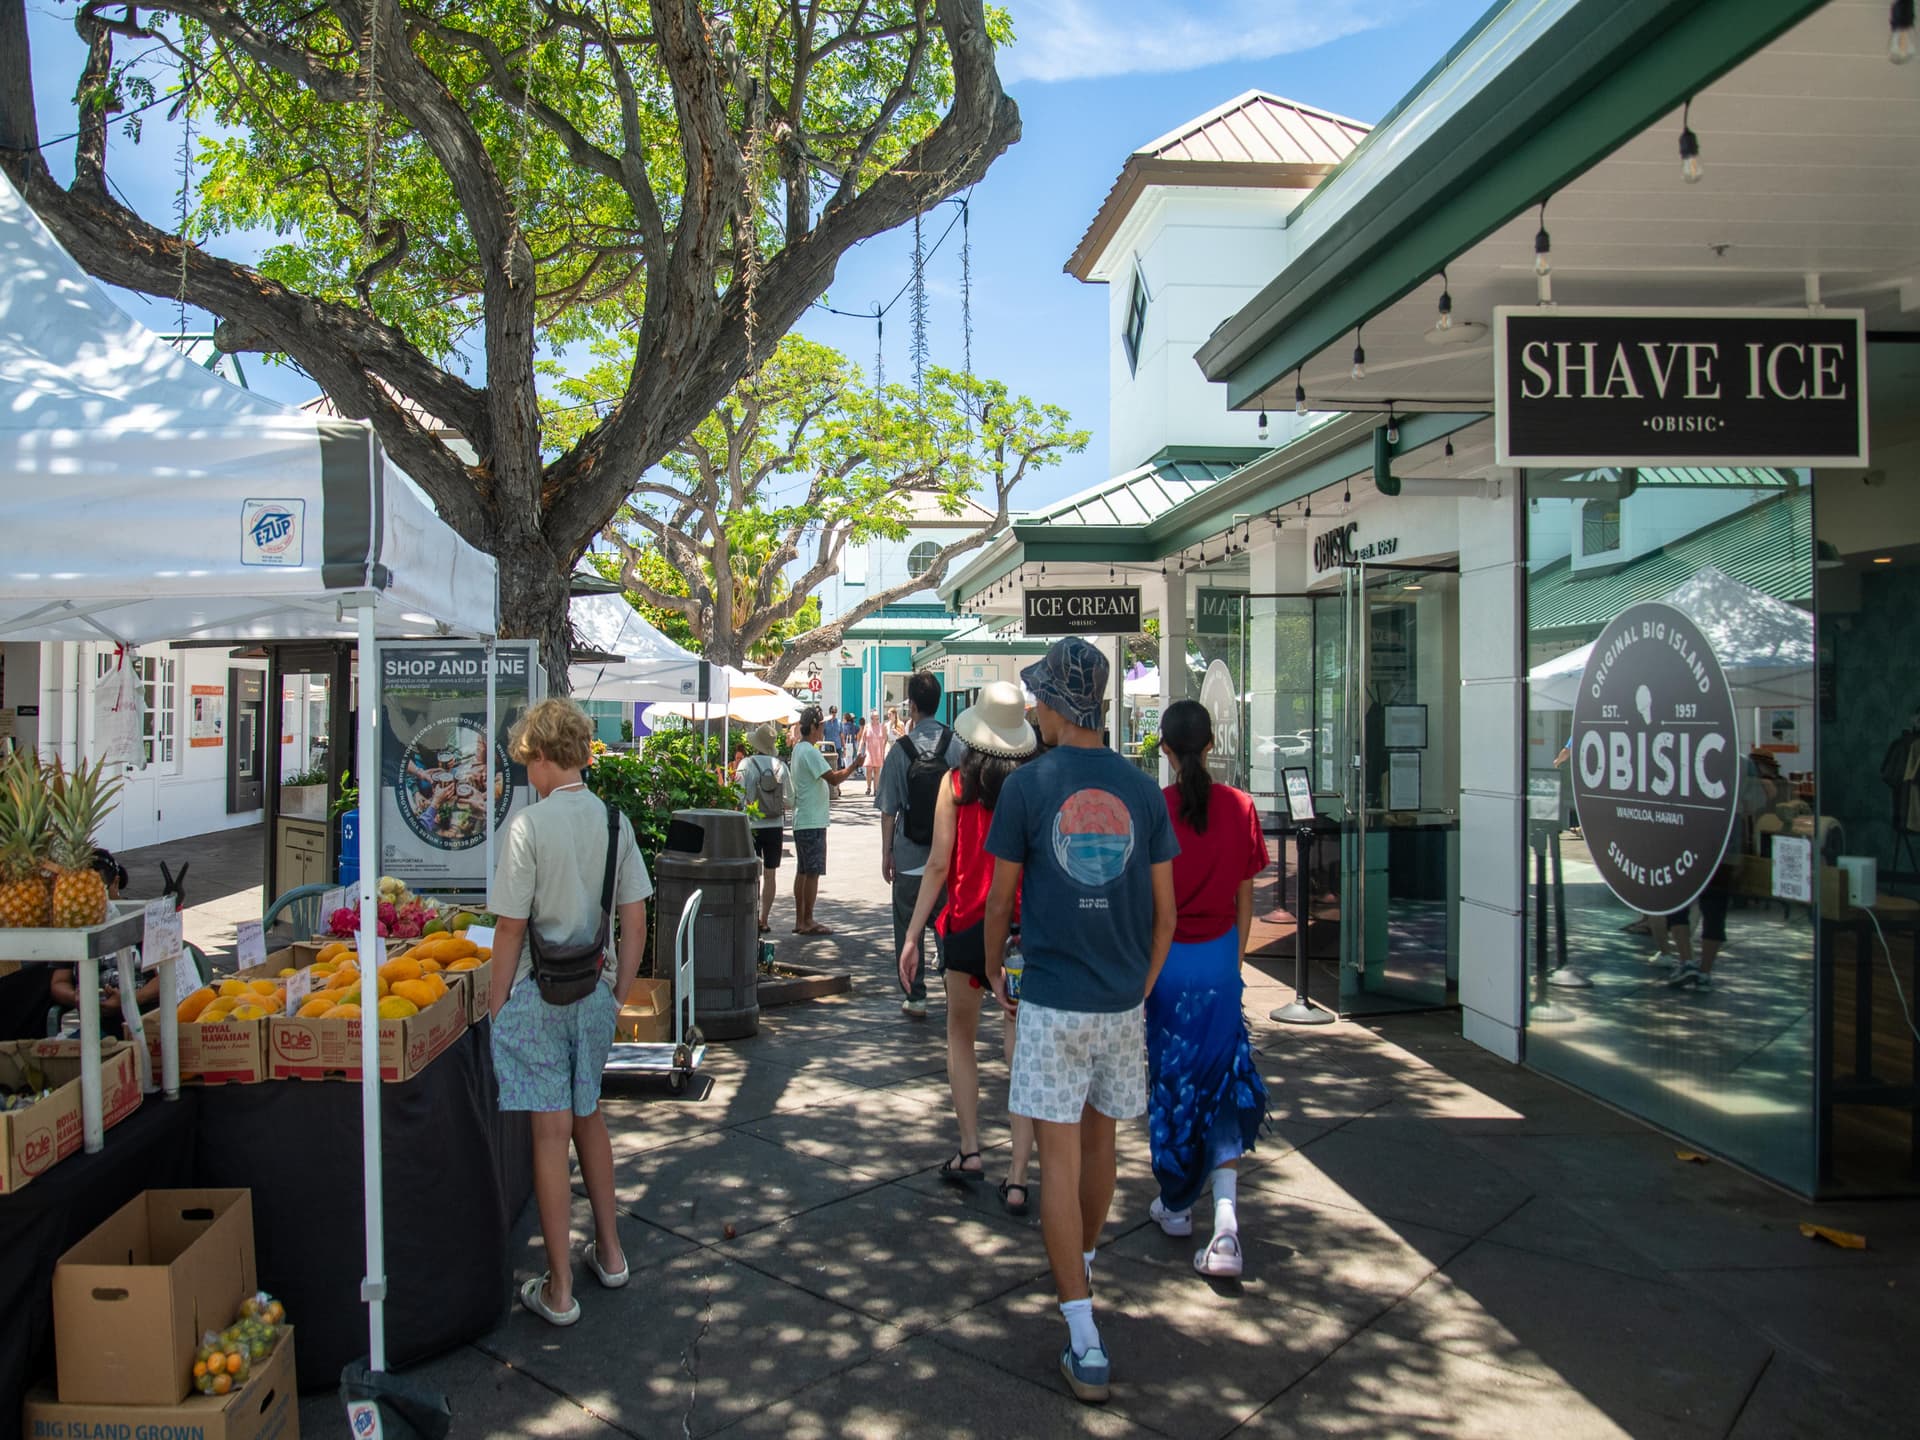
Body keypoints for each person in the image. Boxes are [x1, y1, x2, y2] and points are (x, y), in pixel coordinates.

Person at [983, 637, 1178, 1405]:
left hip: (1055, 999)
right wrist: (1141, 982)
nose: (1032, 708)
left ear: (1060, 705)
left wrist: (997, 969)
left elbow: (1001, 901)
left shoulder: (1028, 789)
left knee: (1057, 1163)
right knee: (1103, 1148)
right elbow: (1164, 915)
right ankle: (1082, 1268)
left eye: (1038, 697)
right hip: (1119, 1001)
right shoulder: (1142, 789)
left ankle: (1084, 1335)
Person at [488, 698, 652, 1328]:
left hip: (535, 995)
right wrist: (618, 993)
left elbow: (509, 930)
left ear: (543, 757)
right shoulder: (615, 823)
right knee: (591, 1119)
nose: (526, 770)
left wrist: (499, 1006)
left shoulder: (528, 828)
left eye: (528, 758)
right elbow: (635, 920)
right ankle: (609, 1253)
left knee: (550, 1137)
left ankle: (559, 1290)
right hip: (592, 993)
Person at [898, 681, 1038, 1214]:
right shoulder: (1031, 789)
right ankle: (1020, 1176)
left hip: (964, 926)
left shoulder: (955, 785)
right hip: (1019, 933)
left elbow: (938, 864)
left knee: (961, 1035)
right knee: (1018, 1047)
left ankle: (971, 1149)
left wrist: (912, 934)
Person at [1146, 700, 1271, 1278]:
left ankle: (1175, 1203)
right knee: (1223, 1083)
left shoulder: (1156, 810)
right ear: (1213, 742)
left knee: (1173, 1082)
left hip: (1167, 966)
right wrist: (1233, 961)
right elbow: (1246, 900)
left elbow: (1152, 907)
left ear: (1165, 751)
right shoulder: (1240, 807)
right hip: (1221, 962)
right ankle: (1226, 1222)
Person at [878, 671, 956, 1020]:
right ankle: (954, 989)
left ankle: (916, 995)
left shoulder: (900, 751)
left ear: (911, 705)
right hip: (949, 858)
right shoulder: (956, 746)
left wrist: (887, 852)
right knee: (946, 926)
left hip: (909, 857)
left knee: (907, 924)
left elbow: (888, 809)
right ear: (938, 702)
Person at [789, 705, 856, 935]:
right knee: (812, 872)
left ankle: (801, 919)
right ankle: (807, 920)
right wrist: (855, 766)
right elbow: (834, 778)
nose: (824, 730)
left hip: (803, 818)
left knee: (803, 871)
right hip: (812, 820)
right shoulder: (809, 751)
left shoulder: (799, 749)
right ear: (815, 727)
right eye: (822, 726)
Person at [736, 723, 791, 934]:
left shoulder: (746, 765)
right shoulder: (780, 766)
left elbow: (737, 795)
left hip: (751, 824)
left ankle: (750, 915)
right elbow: (791, 799)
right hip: (775, 826)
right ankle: (764, 918)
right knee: (770, 874)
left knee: (751, 874)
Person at [861, 710, 889, 797]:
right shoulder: (867, 727)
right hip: (869, 750)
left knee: (877, 770)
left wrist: (883, 749)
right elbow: (863, 739)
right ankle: (868, 787)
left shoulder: (882, 727)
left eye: (877, 718)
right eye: (874, 718)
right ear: (871, 718)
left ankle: (876, 789)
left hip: (878, 751)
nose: (876, 720)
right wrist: (859, 750)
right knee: (869, 769)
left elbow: (885, 738)